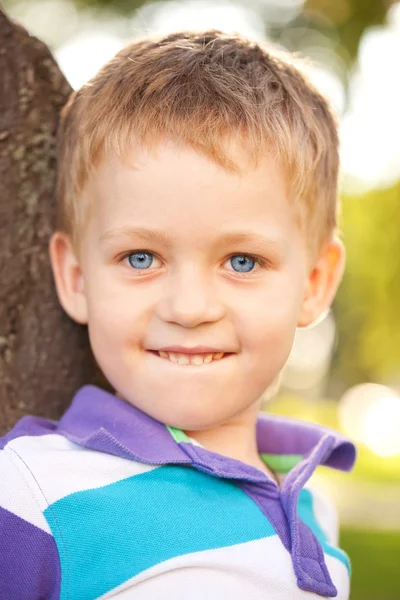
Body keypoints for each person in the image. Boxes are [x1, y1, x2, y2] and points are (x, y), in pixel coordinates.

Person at [0, 29, 356, 600]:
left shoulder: (311, 504)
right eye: (140, 257)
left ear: (314, 284)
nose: (189, 308)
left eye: (243, 260)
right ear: (76, 278)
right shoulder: (31, 491)